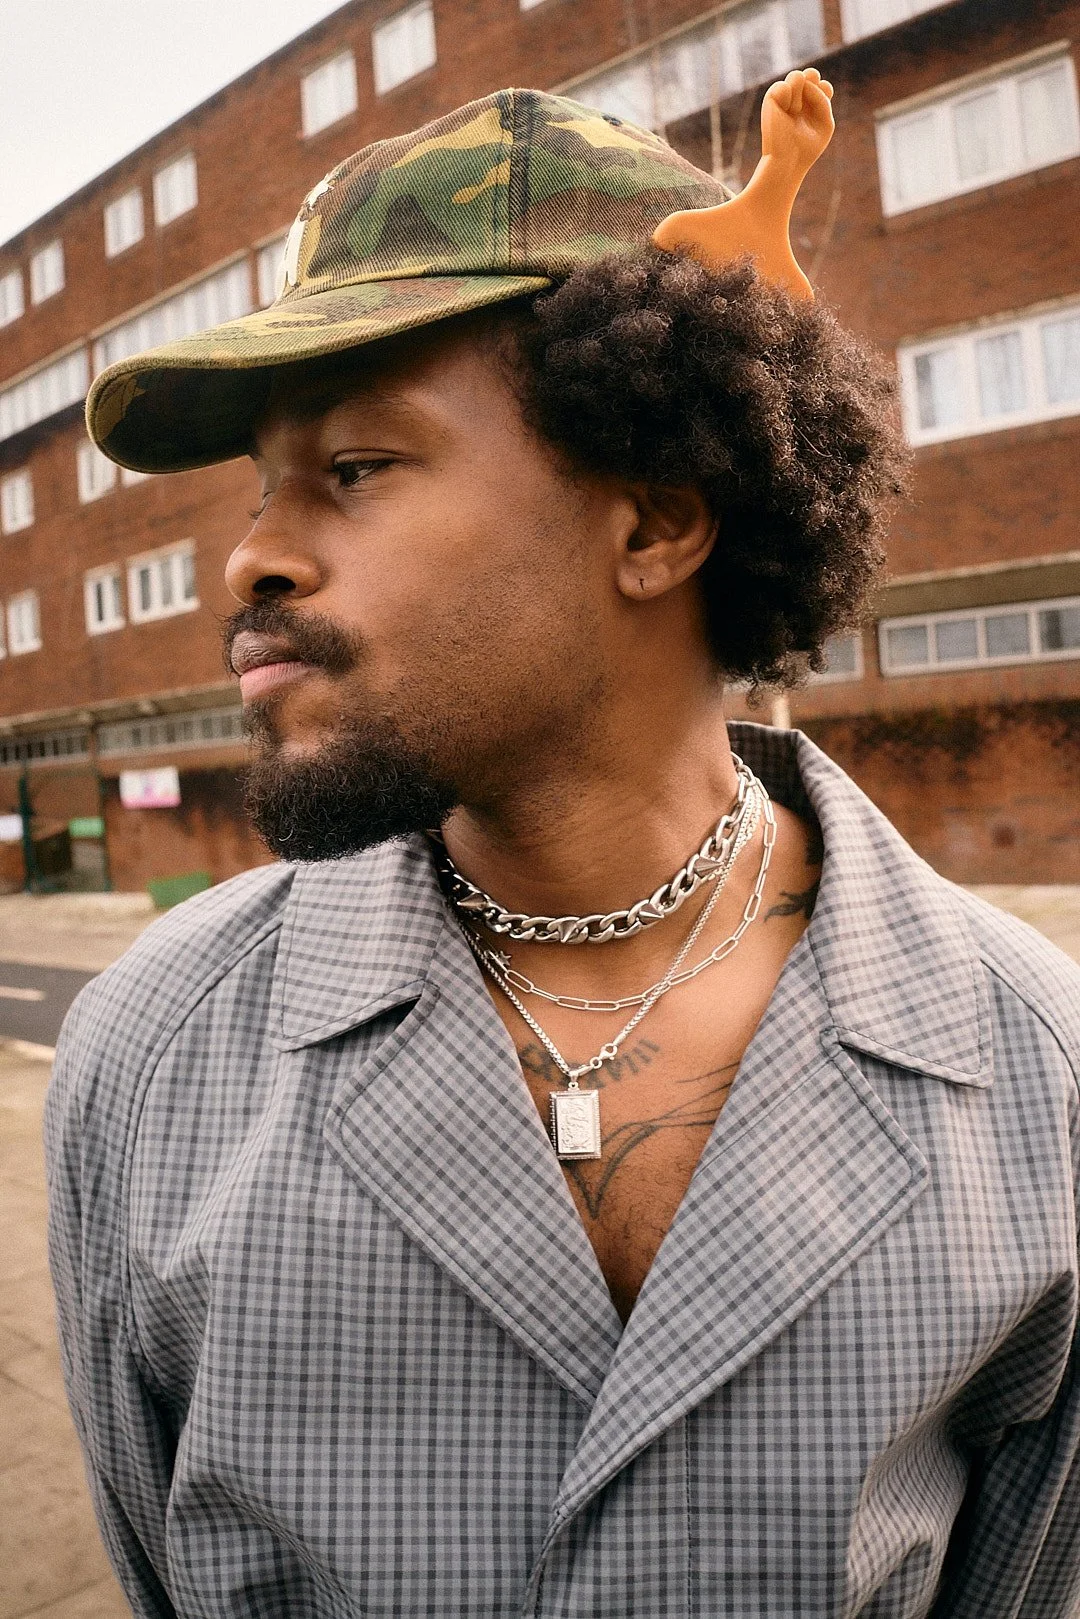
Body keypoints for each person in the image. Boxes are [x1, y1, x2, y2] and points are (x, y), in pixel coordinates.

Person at [47, 77, 1080, 1619]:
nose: (252, 553)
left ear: (656, 522)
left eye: (355, 469)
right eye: (259, 483)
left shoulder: (1032, 1069)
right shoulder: (154, 1052)